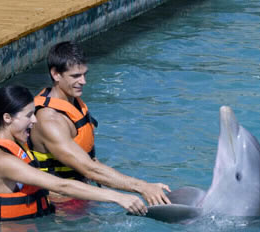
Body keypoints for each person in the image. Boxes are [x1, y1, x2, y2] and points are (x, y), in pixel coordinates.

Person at [0, 85, 147, 222]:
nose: (35, 120)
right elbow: (62, 186)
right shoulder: (2, 159)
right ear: (7, 118)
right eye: (29, 115)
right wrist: (117, 197)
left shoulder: (4, 140)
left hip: (15, 231)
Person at [28, 41, 171, 211]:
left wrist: (142, 186)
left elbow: (89, 162)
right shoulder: (50, 121)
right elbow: (89, 169)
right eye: (75, 76)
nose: (83, 81)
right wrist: (142, 187)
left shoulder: (72, 103)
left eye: (84, 74)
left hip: (83, 195)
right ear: (56, 74)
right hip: (60, 208)